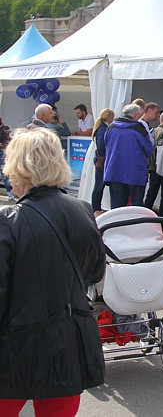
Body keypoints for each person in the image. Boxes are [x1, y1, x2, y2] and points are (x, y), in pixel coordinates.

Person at [0, 128, 105, 416]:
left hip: (15, 348)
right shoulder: (83, 210)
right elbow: (95, 272)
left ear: (18, 167)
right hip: (68, 343)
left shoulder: (9, 220)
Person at [103, 103, 153, 208]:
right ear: (135, 115)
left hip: (114, 171)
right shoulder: (138, 129)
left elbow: (105, 146)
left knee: (116, 208)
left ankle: (117, 225)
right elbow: (149, 149)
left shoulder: (111, 127)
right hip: (135, 173)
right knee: (136, 207)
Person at [144, 111, 163, 215]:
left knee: (151, 192)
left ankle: (145, 214)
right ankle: (162, 218)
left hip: (153, 167)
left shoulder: (153, 131)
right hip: (162, 166)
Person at [90, 108, 115, 216]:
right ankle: (95, 208)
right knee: (99, 185)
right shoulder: (102, 129)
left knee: (99, 185)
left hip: (101, 160)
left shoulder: (101, 127)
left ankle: (96, 207)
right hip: (102, 160)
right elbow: (101, 146)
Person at [0, 117, 14, 200]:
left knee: (5, 174)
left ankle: (9, 192)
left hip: (2, 153)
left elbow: (9, 140)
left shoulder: (5, 128)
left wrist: (2, 144)